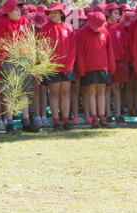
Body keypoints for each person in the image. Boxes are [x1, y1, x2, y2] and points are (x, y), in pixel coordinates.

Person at [0, 0, 39, 133]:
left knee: (24, 92)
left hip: (24, 61)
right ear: (8, 11)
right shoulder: (3, 23)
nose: (18, 11)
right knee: (10, 93)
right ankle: (9, 123)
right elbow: (0, 43)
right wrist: (2, 62)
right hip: (9, 61)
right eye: (15, 9)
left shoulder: (25, 22)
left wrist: (31, 58)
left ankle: (26, 121)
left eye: (19, 8)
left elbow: (30, 41)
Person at [41, 2, 76, 130]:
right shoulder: (46, 28)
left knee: (66, 93)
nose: (53, 14)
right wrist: (50, 65)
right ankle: (56, 121)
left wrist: (69, 65)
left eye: (56, 12)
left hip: (67, 67)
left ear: (61, 13)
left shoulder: (68, 28)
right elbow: (42, 49)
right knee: (54, 94)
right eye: (51, 12)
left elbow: (73, 48)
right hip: (52, 67)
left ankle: (66, 120)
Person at [77, 11, 116, 128]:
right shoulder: (82, 33)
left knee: (101, 93)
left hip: (103, 67)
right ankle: (94, 118)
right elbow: (80, 52)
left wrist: (111, 66)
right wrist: (82, 68)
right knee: (92, 92)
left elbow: (110, 51)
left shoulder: (105, 31)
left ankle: (102, 117)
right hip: (89, 67)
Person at [105, 2, 129, 123]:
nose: (118, 15)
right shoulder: (103, 27)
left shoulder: (120, 28)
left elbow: (125, 46)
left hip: (119, 62)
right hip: (107, 63)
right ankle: (108, 113)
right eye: (115, 13)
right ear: (108, 14)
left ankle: (118, 114)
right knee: (107, 88)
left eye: (118, 13)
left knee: (117, 88)